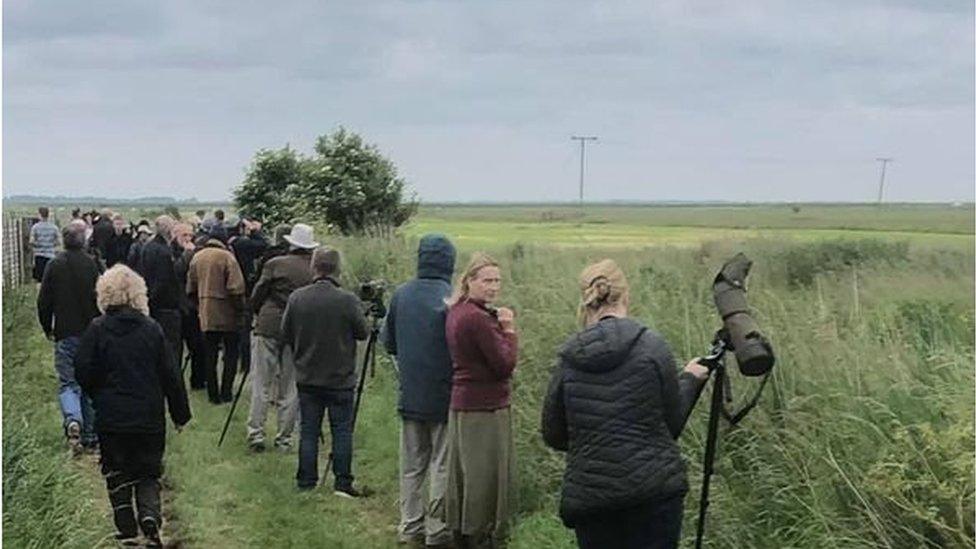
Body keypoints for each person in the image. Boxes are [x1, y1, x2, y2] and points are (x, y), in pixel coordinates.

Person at [541, 259, 710, 549]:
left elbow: (553, 433)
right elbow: (671, 425)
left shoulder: (569, 357)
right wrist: (691, 379)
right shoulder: (653, 346)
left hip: (592, 500)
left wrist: (597, 440)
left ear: (586, 299)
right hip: (654, 495)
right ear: (626, 295)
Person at [75, 264, 191, 548]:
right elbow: (170, 375)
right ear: (139, 294)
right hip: (148, 415)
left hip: (111, 416)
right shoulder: (152, 330)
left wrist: (97, 394)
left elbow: (83, 369)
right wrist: (180, 413)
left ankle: (126, 525)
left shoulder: (97, 329)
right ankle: (150, 516)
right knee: (148, 471)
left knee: (115, 469)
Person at [382, 234, 457, 548]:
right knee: (441, 463)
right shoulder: (452, 298)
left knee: (411, 465)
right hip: (445, 395)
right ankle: (437, 529)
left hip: (410, 394)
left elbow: (389, 343)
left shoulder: (402, 295)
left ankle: (410, 526)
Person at [444, 253, 518, 549]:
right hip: (484, 405)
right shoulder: (477, 319)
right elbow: (504, 364)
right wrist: (509, 330)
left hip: (463, 401)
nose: (493, 287)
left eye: (497, 281)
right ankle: (482, 534)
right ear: (470, 281)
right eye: (487, 280)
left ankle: (462, 530)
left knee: (465, 472)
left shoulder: (457, 311)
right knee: (483, 474)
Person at [281, 247, 368, 495]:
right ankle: (343, 482)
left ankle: (306, 481)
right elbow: (363, 332)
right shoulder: (347, 299)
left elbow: (285, 333)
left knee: (309, 429)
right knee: (341, 430)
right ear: (337, 269)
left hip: (308, 375)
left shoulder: (297, 298)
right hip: (340, 378)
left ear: (314, 267)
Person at [245, 223, 315, 452]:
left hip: (269, 324)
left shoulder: (275, 264)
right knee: (291, 386)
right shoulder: (314, 269)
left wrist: (255, 312)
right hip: (299, 329)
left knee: (261, 382)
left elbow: (258, 293)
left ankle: (256, 433)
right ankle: (284, 438)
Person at [36, 220, 102, 454]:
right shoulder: (92, 265)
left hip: (65, 332)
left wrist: (47, 327)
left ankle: (73, 419)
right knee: (91, 384)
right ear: (83, 240)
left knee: (68, 383)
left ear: (63, 240)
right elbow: (101, 298)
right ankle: (91, 435)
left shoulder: (54, 265)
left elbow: (44, 301)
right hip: (91, 333)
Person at [186, 234, 246, 404]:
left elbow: (190, 287)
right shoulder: (228, 257)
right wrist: (240, 310)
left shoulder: (197, 257)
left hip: (206, 313)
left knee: (209, 354)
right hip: (228, 314)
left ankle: (213, 394)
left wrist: (200, 305)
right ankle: (226, 392)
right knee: (230, 354)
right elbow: (235, 288)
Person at [138, 216, 183, 372]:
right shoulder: (164, 252)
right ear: (168, 229)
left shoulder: (147, 247)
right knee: (171, 347)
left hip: (151, 302)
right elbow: (163, 280)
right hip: (166, 306)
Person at [230, 218, 269, 376]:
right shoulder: (243, 243)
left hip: (233, 288)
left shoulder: (232, 242)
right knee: (244, 328)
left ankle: (237, 360)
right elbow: (263, 245)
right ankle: (246, 363)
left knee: (236, 328)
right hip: (245, 288)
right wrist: (255, 231)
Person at [173, 223, 206, 390]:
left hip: (191, 306)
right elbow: (176, 271)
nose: (187, 239)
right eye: (184, 235)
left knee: (198, 346)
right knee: (175, 349)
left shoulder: (196, 253)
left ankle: (198, 381)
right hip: (176, 306)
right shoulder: (171, 251)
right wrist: (187, 254)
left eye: (190, 235)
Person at [29, 206, 61, 283]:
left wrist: (38, 244)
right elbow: (59, 242)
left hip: (39, 255)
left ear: (40, 215)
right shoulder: (54, 227)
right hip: (50, 255)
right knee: (50, 279)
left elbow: (31, 241)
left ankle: (40, 293)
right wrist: (50, 244)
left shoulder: (35, 227)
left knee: (39, 279)